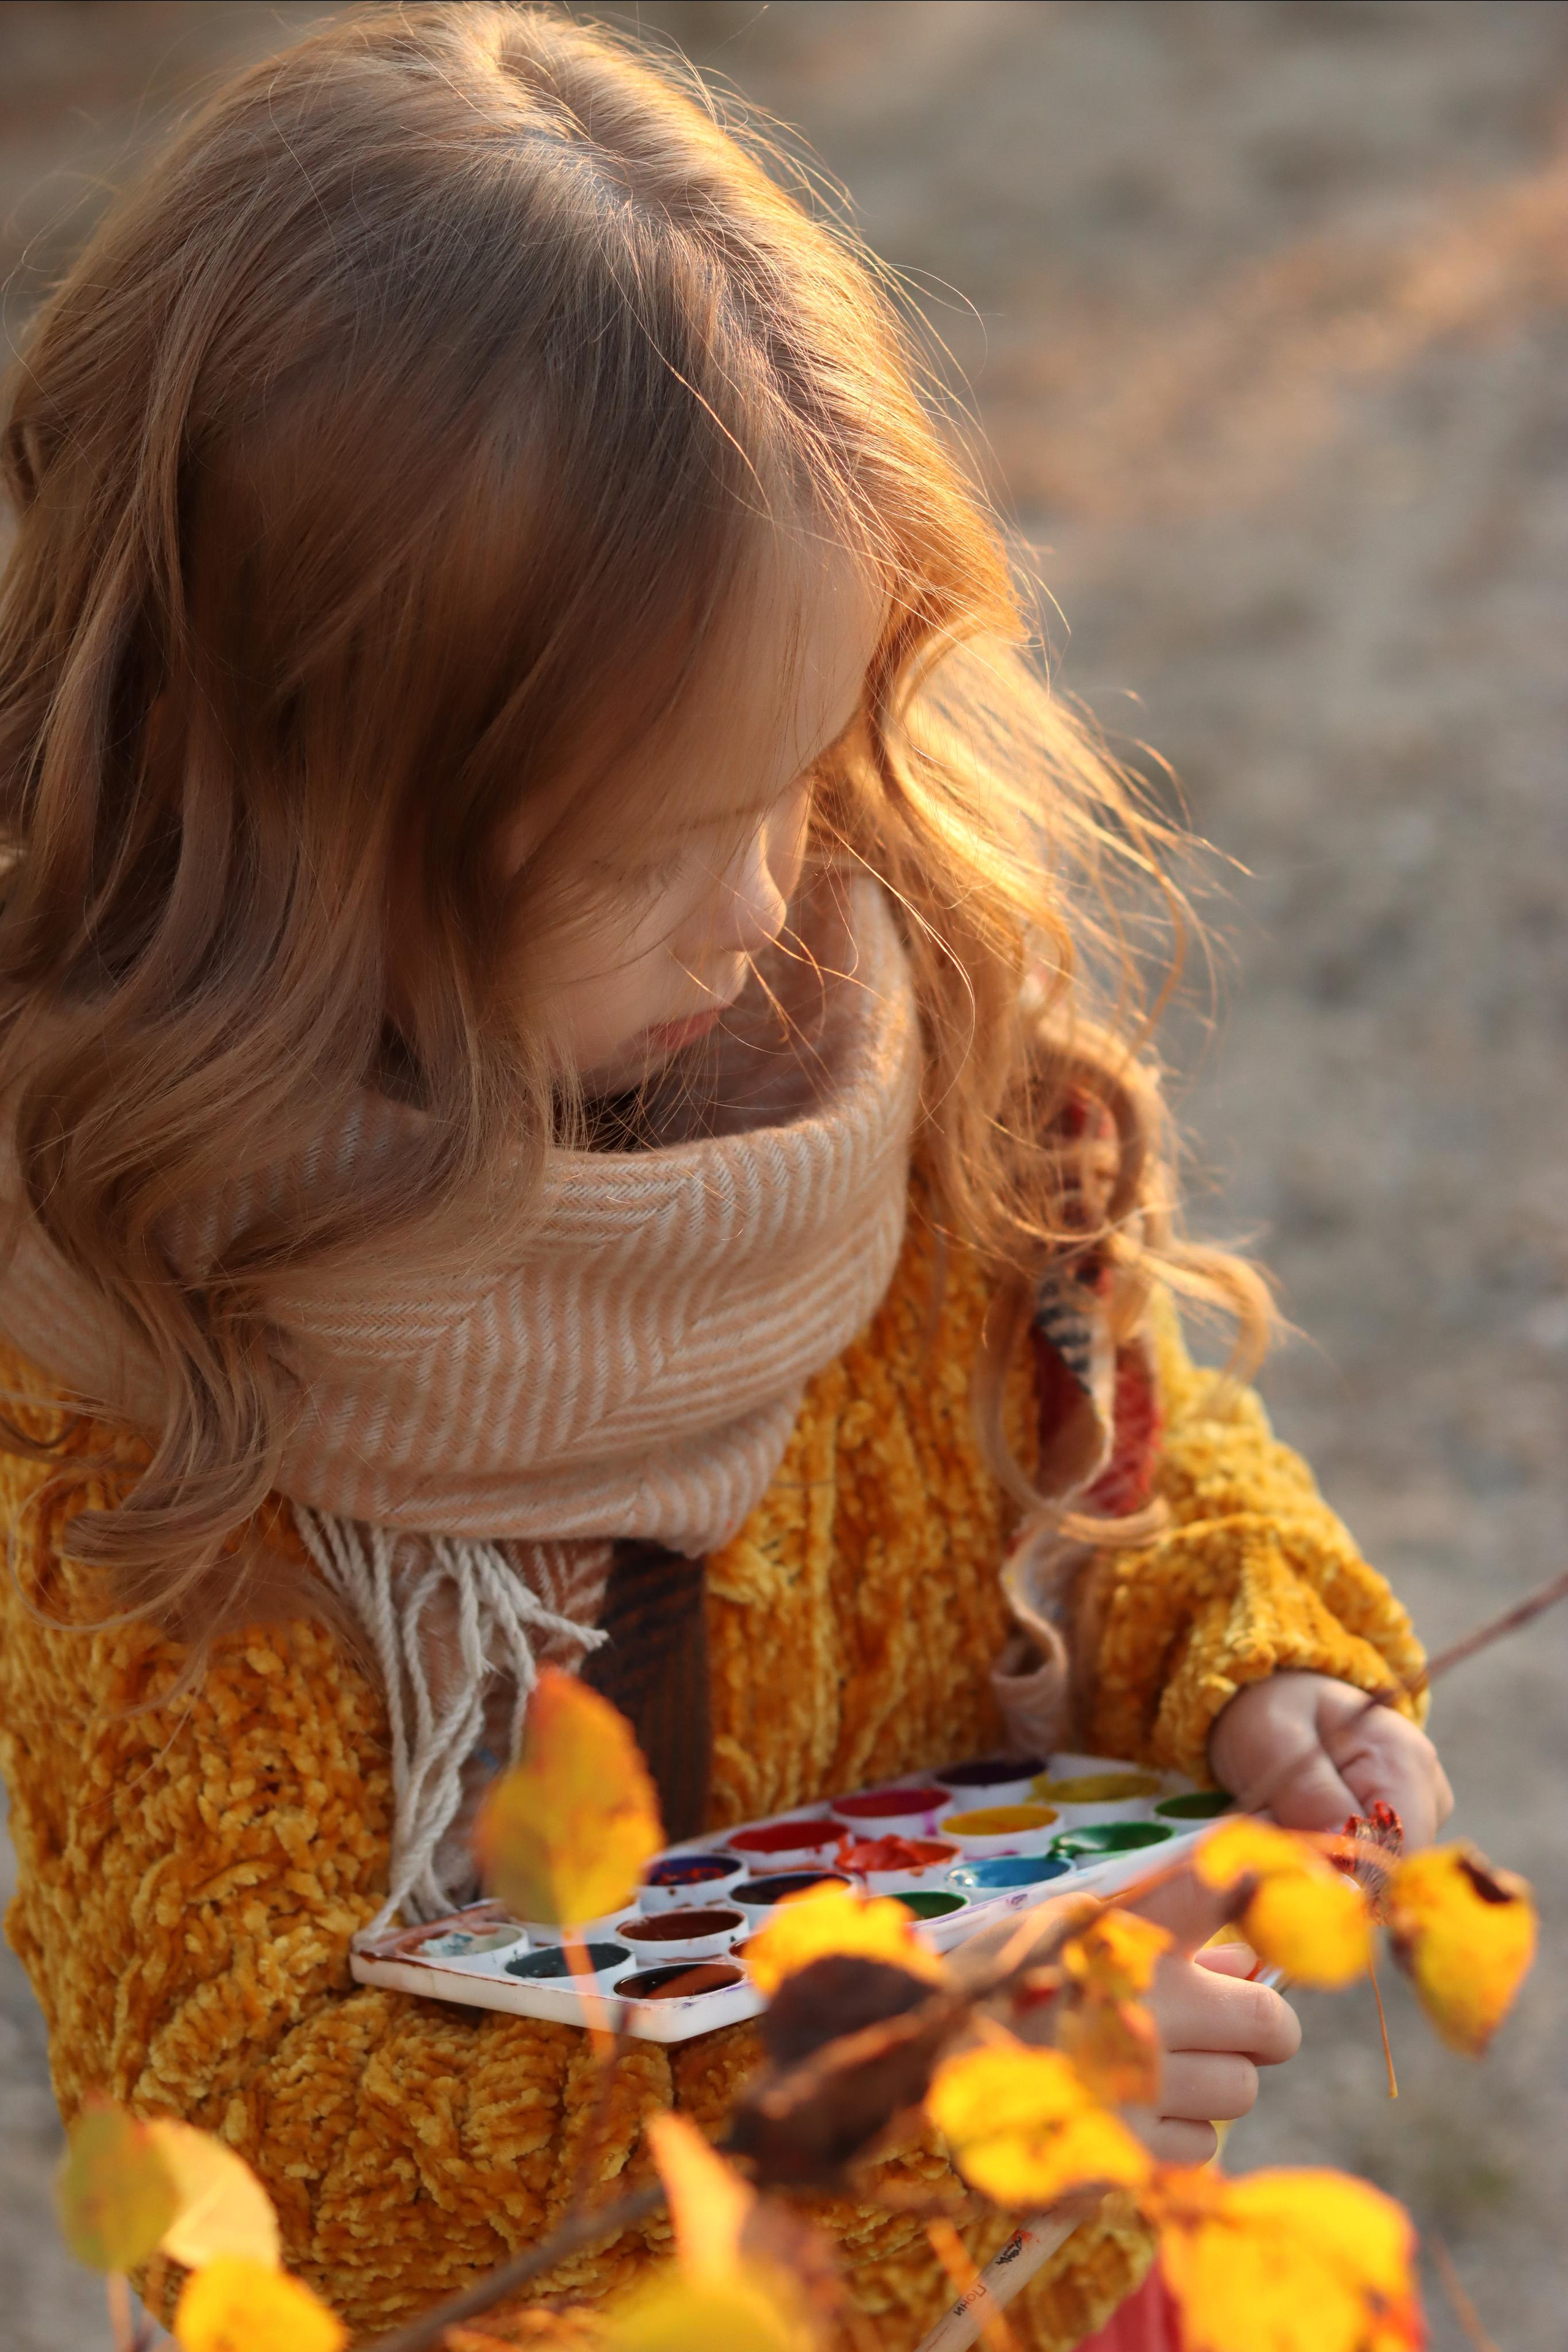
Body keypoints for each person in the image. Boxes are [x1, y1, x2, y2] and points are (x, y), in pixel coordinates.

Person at [0, 10, 1450, 2347]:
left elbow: (1114, 1465)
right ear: (287, 836)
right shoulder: (136, 1341)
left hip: (1025, 2296)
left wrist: (1257, 1659)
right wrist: (905, 2101)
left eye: (792, 780)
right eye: (636, 855)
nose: (760, 908)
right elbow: (239, 2154)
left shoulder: (902, 1055)